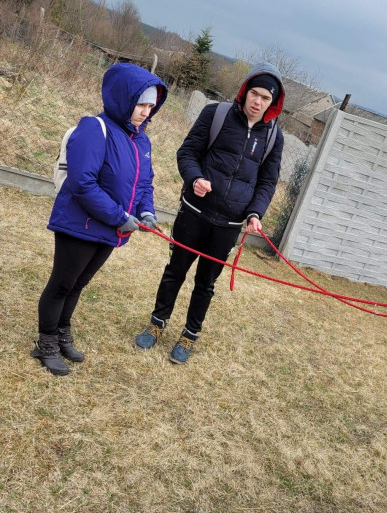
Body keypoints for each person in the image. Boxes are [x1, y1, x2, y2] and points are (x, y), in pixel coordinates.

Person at [135, 61, 285, 364]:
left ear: (273, 102)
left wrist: (255, 213)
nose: (258, 102)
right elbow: (187, 152)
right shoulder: (215, 114)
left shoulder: (273, 137)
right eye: (254, 93)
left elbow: (267, 182)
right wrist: (195, 178)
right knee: (174, 272)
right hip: (194, 212)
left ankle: (189, 335)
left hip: (228, 225)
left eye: (265, 98)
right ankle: (157, 323)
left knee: (206, 282)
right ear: (244, 92)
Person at [32, 62, 168, 376]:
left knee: (79, 283)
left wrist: (146, 211)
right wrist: (120, 216)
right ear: (123, 98)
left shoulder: (141, 140)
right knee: (62, 284)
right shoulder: (94, 128)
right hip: (80, 225)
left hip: (111, 229)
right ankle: (46, 344)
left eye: (151, 105)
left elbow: (144, 183)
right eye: (141, 103)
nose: (145, 112)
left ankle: (62, 333)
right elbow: (82, 183)